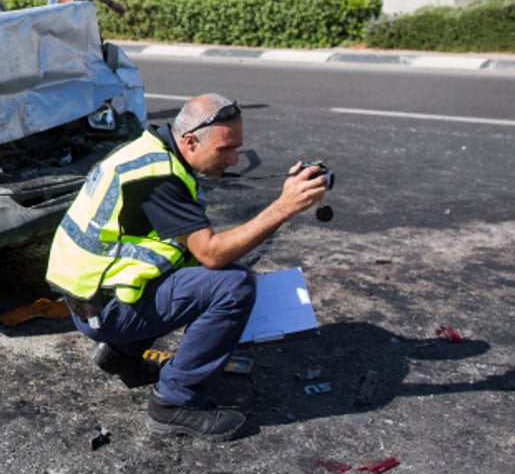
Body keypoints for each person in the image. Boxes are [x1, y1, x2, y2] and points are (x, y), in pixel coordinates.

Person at [46, 93, 328, 441]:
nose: (235, 159)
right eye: (225, 150)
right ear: (190, 141)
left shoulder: (148, 152)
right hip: (105, 310)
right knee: (234, 284)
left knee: (195, 269)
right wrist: (283, 207)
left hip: (89, 300)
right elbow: (211, 253)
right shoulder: (158, 176)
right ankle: (174, 404)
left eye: (236, 148)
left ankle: (123, 355)